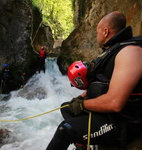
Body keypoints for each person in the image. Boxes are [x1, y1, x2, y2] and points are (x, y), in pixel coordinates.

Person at [46, 11, 142, 150]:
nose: (96, 37)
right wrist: (79, 99)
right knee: (66, 108)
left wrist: (82, 105)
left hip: (124, 121)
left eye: (97, 32)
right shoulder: (113, 50)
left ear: (105, 32)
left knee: (65, 130)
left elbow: (115, 103)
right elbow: (101, 82)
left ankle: (81, 140)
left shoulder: (130, 53)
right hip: (111, 113)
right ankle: (82, 143)